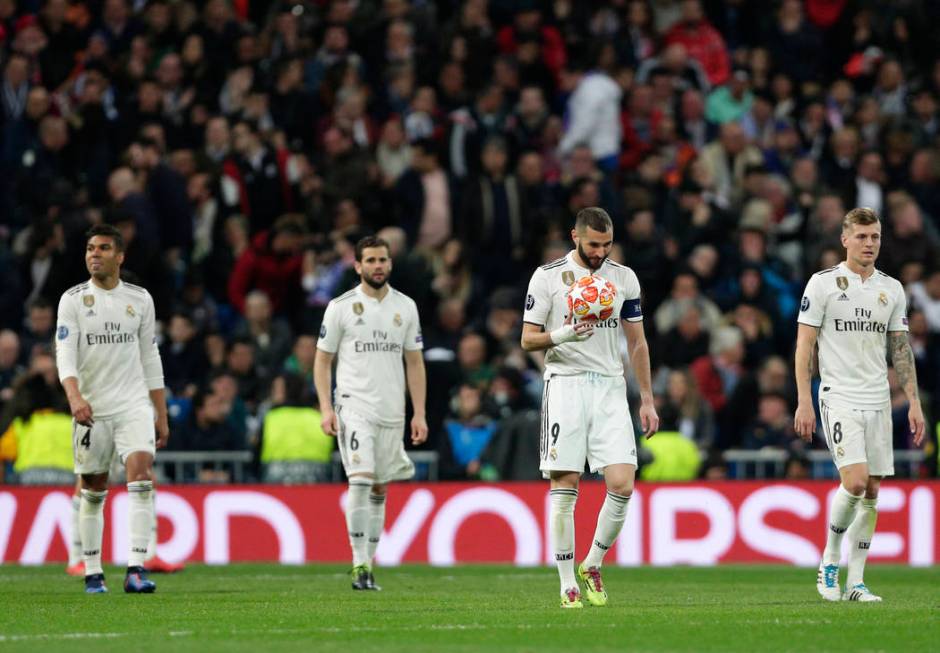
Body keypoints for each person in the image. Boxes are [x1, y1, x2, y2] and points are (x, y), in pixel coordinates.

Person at [521, 207, 659, 608]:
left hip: (611, 388)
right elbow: (528, 340)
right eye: (593, 244)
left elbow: (637, 342)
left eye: (606, 244)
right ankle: (566, 583)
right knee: (565, 485)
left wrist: (647, 398)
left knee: (623, 483)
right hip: (565, 385)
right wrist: (564, 333)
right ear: (575, 237)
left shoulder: (623, 278)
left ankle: (593, 562)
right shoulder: (547, 277)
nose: (600, 252)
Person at [794, 207, 925, 603]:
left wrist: (914, 402)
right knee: (853, 481)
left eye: (876, 237)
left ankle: (857, 582)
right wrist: (803, 399)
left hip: (878, 398)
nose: (870, 244)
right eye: (863, 237)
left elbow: (900, 349)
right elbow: (804, 346)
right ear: (845, 239)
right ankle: (830, 560)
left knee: (871, 491)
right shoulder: (823, 284)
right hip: (839, 395)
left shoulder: (892, 289)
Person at [55, 224, 170, 594]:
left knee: (141, 473)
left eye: (103, 248)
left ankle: (136, 568)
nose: (94, 254)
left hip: (133, 404)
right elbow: (65, 356)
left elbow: (150, 357)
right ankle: (93, 571)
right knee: (93, 485)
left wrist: (160, 414)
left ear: (119, 256)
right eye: (90, 248)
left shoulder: (140, 299)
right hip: (92, 407)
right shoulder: (72, 300)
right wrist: (75, 398)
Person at [314, 235, 427, 591]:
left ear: (389, 264)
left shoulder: (405, 307)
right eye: (371, 260)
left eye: (383, 260)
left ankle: (369, 566)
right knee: (360, 479)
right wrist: (326, 408)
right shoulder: (340, 306)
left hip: (392, 409)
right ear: (357, 265)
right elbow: (322, 361)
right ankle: (358, 564)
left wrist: (418, 413)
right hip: (354, 405)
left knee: (380, 487)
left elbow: (414, 362)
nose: (378, 266)